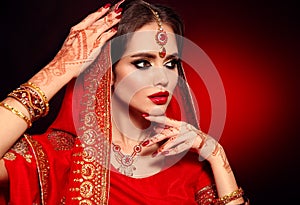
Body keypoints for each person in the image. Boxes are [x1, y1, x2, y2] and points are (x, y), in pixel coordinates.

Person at [0, 0, 249, 204]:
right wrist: (60, 69)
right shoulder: (61, 155)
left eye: (171, 63)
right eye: (142, 63)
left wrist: (216, 153)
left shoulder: (186, 162)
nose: (163, 78)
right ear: (108, 73)